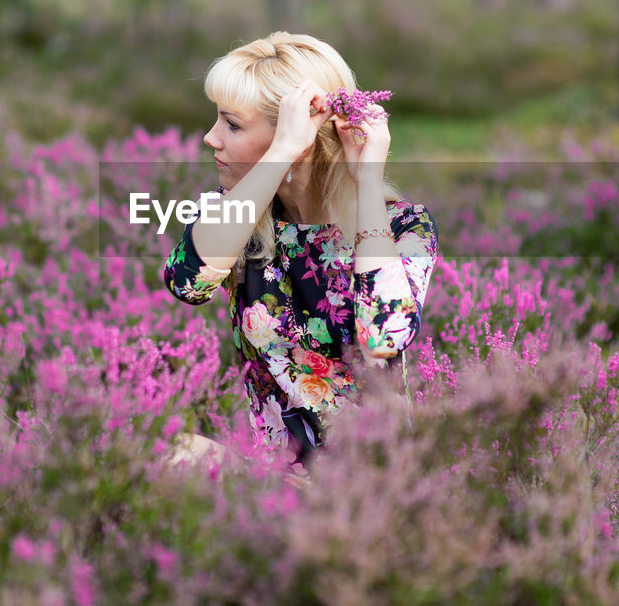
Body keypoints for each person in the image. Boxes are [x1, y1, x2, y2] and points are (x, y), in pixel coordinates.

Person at [162, 31, 438, 465]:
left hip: (374, 487)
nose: (210, 138)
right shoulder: (230, 213)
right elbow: (187, 283)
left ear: (301, 136)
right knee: (172, 454)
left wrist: (366, 183)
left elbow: (386, 337)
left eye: (232, 124)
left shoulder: (405, 224)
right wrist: (281, 155)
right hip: (273, 479)